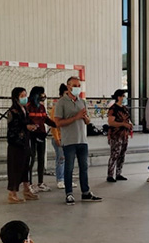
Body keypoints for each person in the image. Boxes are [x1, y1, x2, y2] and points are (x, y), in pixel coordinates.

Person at [54, 76, 102, 205]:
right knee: (68, 168)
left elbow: (86, 119)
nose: (77, 88)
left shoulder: (82, 101)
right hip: (69, 141)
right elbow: (58, 122)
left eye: (78, 85)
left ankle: (85, 192)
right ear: (68, 86)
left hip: (82, 140)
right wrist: (76, 117)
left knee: (84, 168)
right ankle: (69, 193)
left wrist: (86, 119)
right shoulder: (61, 103)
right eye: (74, 85)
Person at [6, 87, 39, 204]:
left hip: (25, 142)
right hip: (16, 144)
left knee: (26, 167)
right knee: (15, 168)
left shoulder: (25, 109)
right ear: (16, 98)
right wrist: (26, 127)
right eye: (22, 96)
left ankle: (26, 189)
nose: (25, 98)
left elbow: (27, 122)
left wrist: (32, 125)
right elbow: (13, 128)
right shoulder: (13, 111)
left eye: (25, 95)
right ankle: (12, 193)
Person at [27, 86, 57, 193]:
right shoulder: (28, 106)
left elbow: (46, 119)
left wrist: (57, 124)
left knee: (41, 159)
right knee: (31, 159)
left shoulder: (42, 107)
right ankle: (29, 184)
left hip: (41, 136)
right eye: (42, 93)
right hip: (31, 136)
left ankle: (40, 183)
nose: (44, 96)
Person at [49, 84, 77, 190]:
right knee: (61, 159)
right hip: (59, 138)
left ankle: (67, 180)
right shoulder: (56, 107)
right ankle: (60, 180)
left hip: (69, 138)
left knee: (68, 160)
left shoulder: (69, 106)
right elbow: (54, 125)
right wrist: (57, 138)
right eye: (66, 93)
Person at [107, 89, 133, 182]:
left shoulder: (125, 108)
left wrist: (129, 124)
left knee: (122, 154)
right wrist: (123, 124)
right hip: (116, 135)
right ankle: (110, 174)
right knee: (114, 154)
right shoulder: (113, 109)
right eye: (123, 96)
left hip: (124, 135)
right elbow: (111, 122)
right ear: (118, 97)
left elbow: (128, 119)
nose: (125, 98)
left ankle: (118, 173)